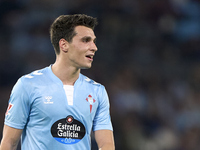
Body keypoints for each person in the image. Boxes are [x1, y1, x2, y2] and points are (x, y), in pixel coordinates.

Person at [0, 14, 115, 150]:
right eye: (86, 40)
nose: (94, 47)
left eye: (94, 41)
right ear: (64, 45)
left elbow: (106, 144)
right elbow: (9, 143)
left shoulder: (97, 91)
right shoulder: (28, 85)